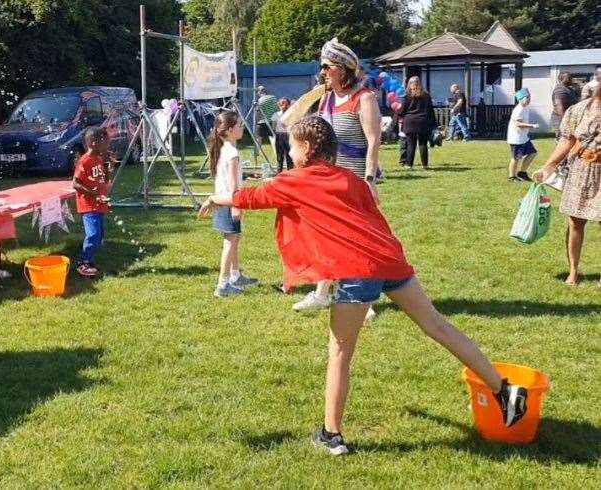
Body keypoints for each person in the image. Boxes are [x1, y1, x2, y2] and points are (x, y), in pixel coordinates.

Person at [198, 116, 529, 456]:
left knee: (340, 350)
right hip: (390, 260)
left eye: (294, 145)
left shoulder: (294, 180)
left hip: (359, 271)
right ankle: (504, 390)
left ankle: (331, 435)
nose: (290, 150)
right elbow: (372, 214)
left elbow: (250, 197)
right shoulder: (351, 179)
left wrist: (215, 199)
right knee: (437, 325)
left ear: (308, 148)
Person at [294, 38, 381, 319]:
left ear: (343, 69)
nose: (323, 71)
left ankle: (363, 298)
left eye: (327, 66)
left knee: (356, 238)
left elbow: (373, 141)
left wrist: (369, 179)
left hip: (354, 177)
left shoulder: (364, 98)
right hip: (328, 179)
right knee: (326, 235)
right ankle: (322, 293)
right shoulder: (326, 98)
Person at [533, 87, 601, 286]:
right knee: (575, 222)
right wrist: (548, 167)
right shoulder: (579, 110)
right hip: (582, 170)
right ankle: (573, 271)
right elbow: (566, 141)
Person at [208, 110, 258, 297]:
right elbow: (233, 185)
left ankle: (235, 276)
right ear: (229, 130)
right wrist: (237, 207)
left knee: (234, 239)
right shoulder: (232, 153)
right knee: (230, 242)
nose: (242, 127)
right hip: (229, 203)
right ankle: (223, 285)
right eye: (239, 125)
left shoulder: (224, 149)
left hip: (223, 202)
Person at [72, 127, 113, 277]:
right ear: (94, 143)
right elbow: (75, 184)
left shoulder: (99, 159)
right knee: (94, 234)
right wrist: (94, 195)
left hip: (99, 204)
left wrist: (109, 167)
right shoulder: (84, 161)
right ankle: (82, 263)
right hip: (89, 205)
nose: (108, 145)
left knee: (99, 234)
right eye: (105, 142)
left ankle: (88, 260)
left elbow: (105, 180)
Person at [397, 76, 435, 169]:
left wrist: (398, 113)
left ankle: (409, 165)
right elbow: (431, 110)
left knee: (411, 144)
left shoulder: (406, 96)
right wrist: (434, 124)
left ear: (409, 84)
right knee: (423, 144)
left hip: (410, 122)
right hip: (423, 121)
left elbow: (401, 111)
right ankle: (425, 165)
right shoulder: (426, 95)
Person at [507, 88, 540, 182]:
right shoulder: (518, 110)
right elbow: (518, 124)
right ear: (520, 99)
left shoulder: (526, 108)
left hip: (523, 138)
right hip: (516, 139)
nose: (529, 100)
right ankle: (511, 177)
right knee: (516, 158)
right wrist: (532, 126)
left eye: (529, 98)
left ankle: (522, 173)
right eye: (527, 98)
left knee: (533, 153)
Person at [551, 73, 580, 141]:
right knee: (564, 142)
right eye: (569, 78)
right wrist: (567, 123)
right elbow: (559, 107)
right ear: (561, 79)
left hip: (570, 120)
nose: (571, 80)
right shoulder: (560, 90)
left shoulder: (569, 89)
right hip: (561, 121)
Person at [271, 97, 293, 172]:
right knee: (279, 154)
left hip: (288, 134)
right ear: (279, 105)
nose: (283, 106)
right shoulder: (276, 114)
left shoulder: (291, 114)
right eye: (281, 104)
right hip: (279, 135)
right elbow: (273, 126)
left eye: (285, 104)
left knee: (289, 154)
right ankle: (279, 171)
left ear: (289, 105)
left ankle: (290, 170)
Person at [256, 86, 279, 154]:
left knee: (259, 138)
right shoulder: (273, 97)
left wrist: (256, 121)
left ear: (260, 92)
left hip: (262, 122)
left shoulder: (260, 100)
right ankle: (277, 152)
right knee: (273, 138)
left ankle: (257, 152)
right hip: (273, 121)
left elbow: (258, 112)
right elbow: (277, 109)